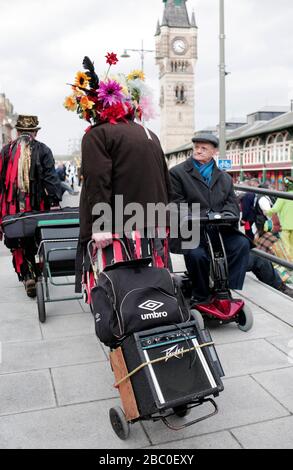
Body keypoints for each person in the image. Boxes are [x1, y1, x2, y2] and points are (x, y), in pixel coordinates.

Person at [64, 54, 171, 292]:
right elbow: (166, 180)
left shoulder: (96, 136)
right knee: (152, 283)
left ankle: (123, 323)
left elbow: (97, 181)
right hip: (153, 223)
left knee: (122, 289)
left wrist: (100, 225)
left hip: (120, 228)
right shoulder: (149, 134)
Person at [169, 132, 251, 302]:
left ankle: (226, 288)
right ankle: (201, 294)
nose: (198, 151)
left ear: (214, 151)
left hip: (219, 229)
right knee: (196, 255)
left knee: (241, 244)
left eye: (203, 148)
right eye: (196, 147)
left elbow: (231, 204)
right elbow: (176, 203)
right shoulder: (177, 173)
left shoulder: (224, 177)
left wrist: (224, 216)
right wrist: (198, 216)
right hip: (192, 229)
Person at [0, 114, 62, 296]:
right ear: (35, 132)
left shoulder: (5, 151)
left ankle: (26, 274)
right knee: (35, 238)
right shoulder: (43, 150)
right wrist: (54, 201)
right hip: (37, 207)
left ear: (18, 131)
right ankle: (36, 272)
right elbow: (51, 178)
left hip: (10, 208)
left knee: (17, 240)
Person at [266, 176, 293, 261]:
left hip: (285, 225)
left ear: (285, 186)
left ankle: (289, 263)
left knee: (286, 246)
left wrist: (267, 212)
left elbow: (275, 209)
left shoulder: (283, 196)